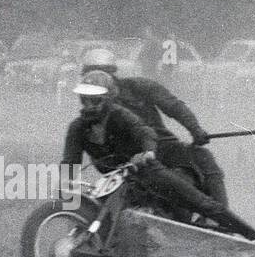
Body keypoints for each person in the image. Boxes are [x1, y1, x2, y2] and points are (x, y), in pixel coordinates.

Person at [61, 71, 255, 239]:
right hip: (115, 181)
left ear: (108, 98)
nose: (88, 105)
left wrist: (147, 152)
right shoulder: (77, 128)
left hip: (146, 170)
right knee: (96, 215)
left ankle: (254, 237)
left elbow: (146, 131)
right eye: (84, 99)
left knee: (201, 203)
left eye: (94, 100)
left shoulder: (122, 114)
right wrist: (67, 186)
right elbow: (70, 162)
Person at [80, 47, 228, 209]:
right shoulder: (89, 115)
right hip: (128, 165)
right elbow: (80, 156)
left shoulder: (140, 86)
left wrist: (195, 129)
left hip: (164, 150)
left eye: (101, 74)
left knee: (203, 157)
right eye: (90, 77)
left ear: (112, 74)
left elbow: (174, 106)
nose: (96, 80)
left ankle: (223, 219)